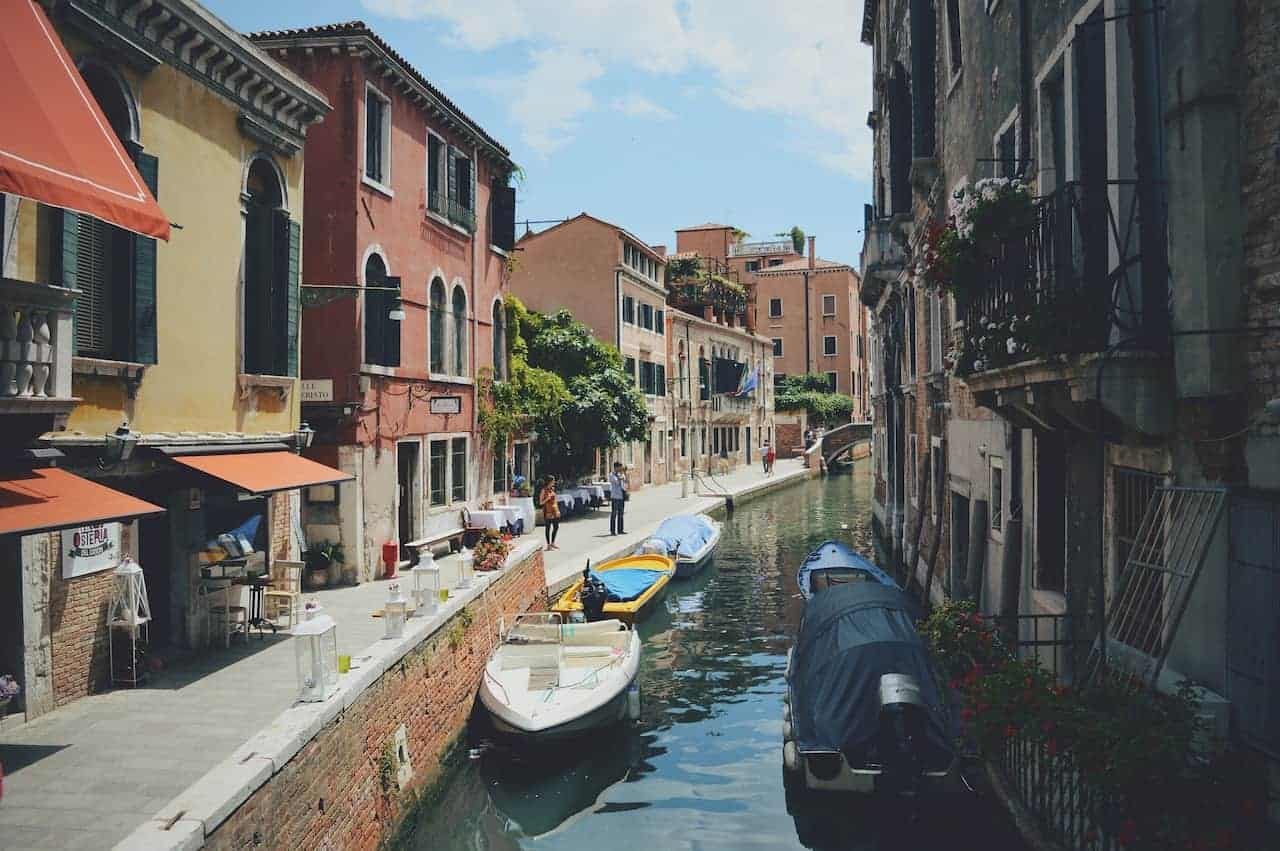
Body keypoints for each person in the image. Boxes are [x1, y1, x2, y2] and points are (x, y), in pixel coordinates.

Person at [538, 476, 561, 551]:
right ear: (549, 481)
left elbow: (555, 501)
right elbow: (541, 502)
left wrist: (557, 510)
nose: (554, 482)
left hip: (555, 511)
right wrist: (547, 498)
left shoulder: (552, 489)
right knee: (548, 528)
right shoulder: (543, 490)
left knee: (556, 527)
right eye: (553, 481)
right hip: (548, 511)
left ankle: (553, 543)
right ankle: (548, 545)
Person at [608, 462, 629, 535]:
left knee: (621, 514)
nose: (621, 469)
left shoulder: (621, 474)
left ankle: (620, 530)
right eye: (620, 467)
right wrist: (621, 477)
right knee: (614, 514)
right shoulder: (611, 474)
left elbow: (626, 481)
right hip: (615, 496)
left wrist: (625, 474)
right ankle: (612, 531)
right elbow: (617, 482)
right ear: (616, 467)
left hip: (621, 496)